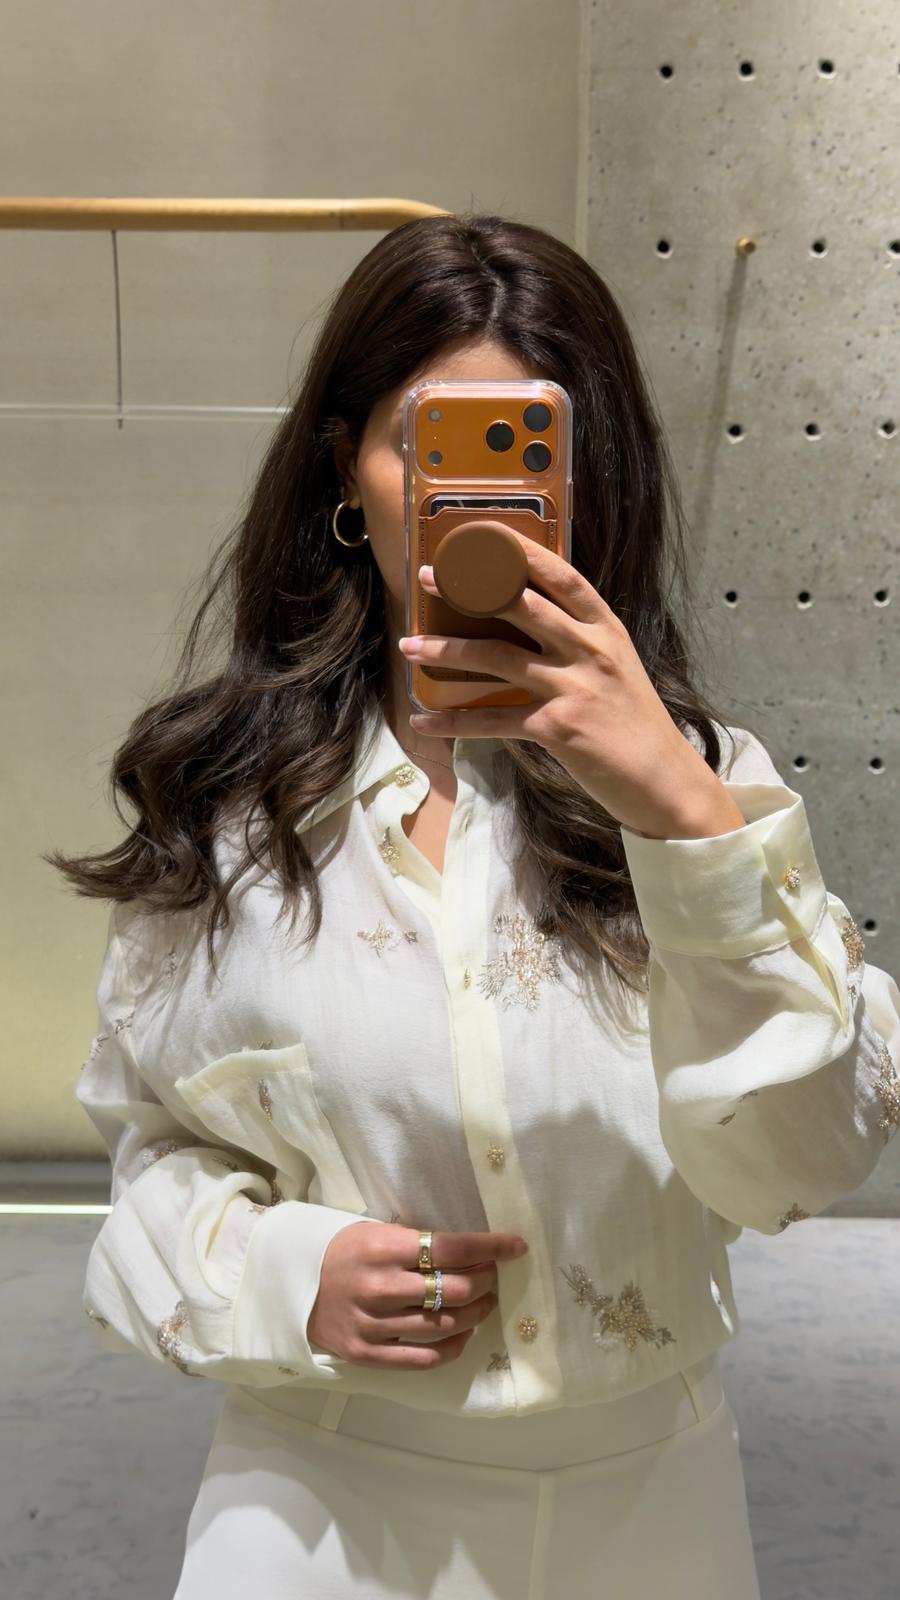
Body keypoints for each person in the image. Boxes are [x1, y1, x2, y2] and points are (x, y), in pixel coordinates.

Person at [51, 212, 900, 1600]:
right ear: (349, 469)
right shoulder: (231, 809)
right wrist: (282, 1272)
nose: (482, 515)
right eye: (431, 451)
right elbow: (155, 1150)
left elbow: (800, 1162)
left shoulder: (711, 790)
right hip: (319, 1504)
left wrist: (683, 821)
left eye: (529, 459)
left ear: (593, 479)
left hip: (651, 1505)